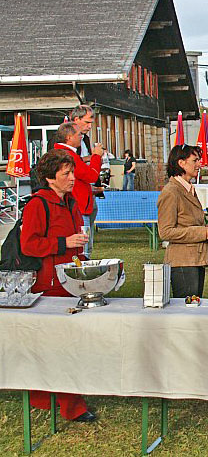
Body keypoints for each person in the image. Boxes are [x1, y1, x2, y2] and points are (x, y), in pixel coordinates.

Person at [21, 149, 95, 422]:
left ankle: (46, 398)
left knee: (66, 346)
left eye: (72, 172)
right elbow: (29, 245)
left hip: (70, 283)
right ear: (50, 179)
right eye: (67, 174)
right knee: (58, 346)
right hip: (48, 287)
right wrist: (64, 243)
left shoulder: (72, 202)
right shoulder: (37, 205)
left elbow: (75, 240)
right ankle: (69, 406)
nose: (73, 178)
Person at [157, 145, 208, 298]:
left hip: (195, 260)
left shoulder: (187, 188)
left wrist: (206, 228)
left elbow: (188, 221)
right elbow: (165, 232)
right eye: (195, 160)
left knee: (195, 307)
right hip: (183, 262)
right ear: (181, 163)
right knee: (186, 311)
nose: (199, 164)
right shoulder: (171, 192)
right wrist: (201, 232)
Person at [53, 122, 103, 259]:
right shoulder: (68, 155)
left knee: (83, 246)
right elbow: (91, 175)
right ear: (69, 137)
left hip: (80, 204)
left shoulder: (63, 153)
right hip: (80, 207)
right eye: (79, 134)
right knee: (83, 248)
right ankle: (83, 273)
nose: (81, 137)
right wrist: (96, 156)